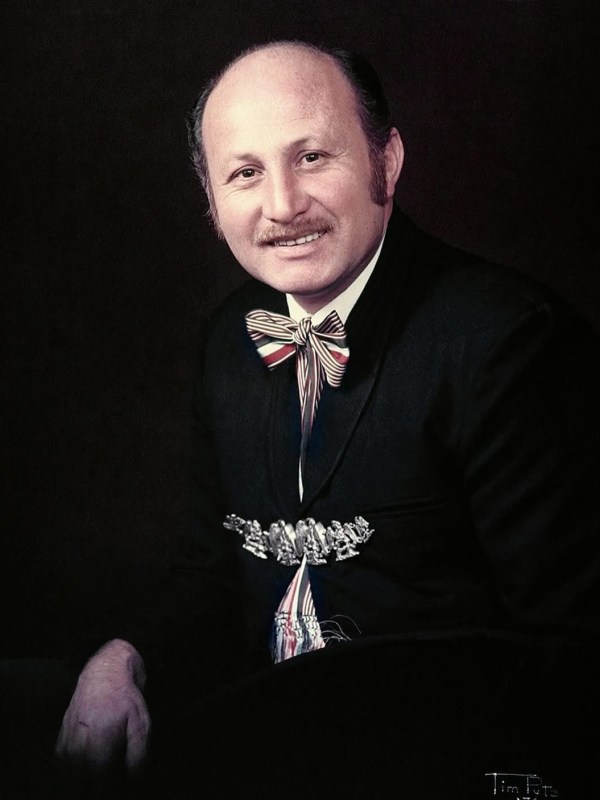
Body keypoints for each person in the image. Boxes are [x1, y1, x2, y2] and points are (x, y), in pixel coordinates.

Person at [55, 40, 600, 795]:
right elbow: (211, 568)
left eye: (311, 158)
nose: (283, 206)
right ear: (212, 201)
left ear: (387, 162)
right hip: (270, 754)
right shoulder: (229, 340)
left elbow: (572, 649)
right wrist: (121, 658)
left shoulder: (510, 342)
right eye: (245, 172)